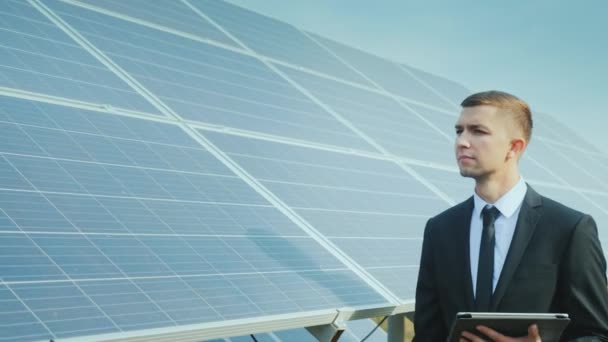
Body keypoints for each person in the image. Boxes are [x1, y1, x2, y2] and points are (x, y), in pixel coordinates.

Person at [413, 90, 608, 341]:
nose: (462, 141)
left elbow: (598, 334)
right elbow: (427, 334)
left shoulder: (569, 228)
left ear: (514, 147)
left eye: (478, 131)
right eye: (459, 130)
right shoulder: (440, 229)